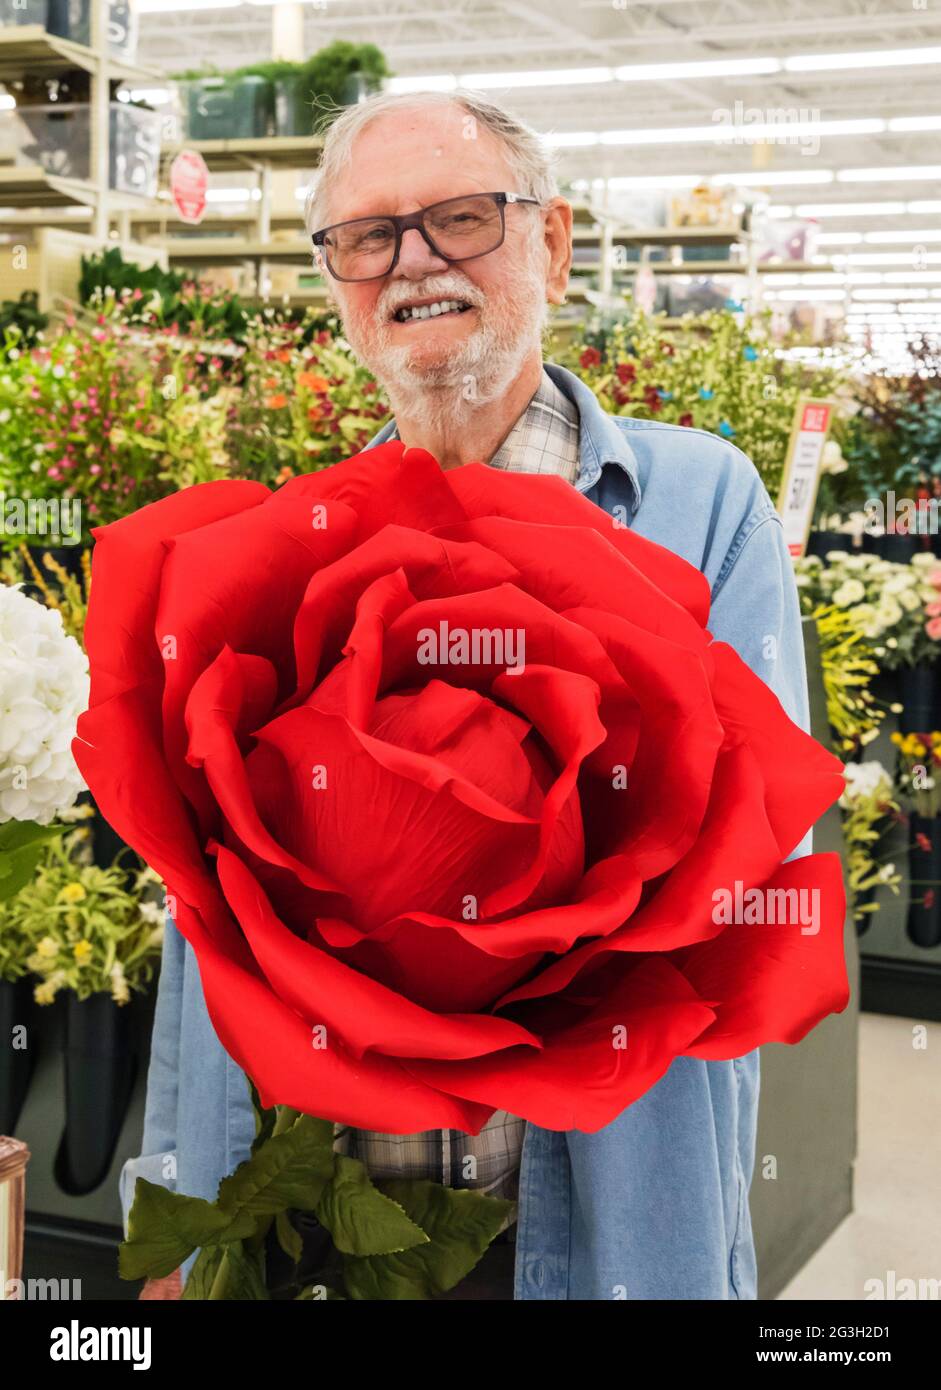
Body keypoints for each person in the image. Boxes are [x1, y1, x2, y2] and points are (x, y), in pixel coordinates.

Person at [131, 89, 812, 1301]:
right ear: (335, 281)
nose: (413, 262)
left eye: (457, 217)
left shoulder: (697, 510)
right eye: (367, 236)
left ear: (549, 241)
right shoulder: (299, 542)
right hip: (317, 1229)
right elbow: (208, 921)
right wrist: (181, 1215)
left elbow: (747, 886)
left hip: (587, 1226)